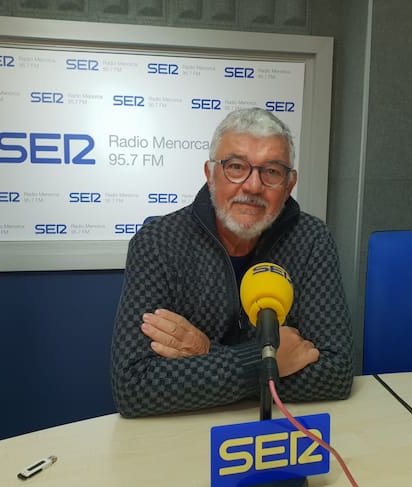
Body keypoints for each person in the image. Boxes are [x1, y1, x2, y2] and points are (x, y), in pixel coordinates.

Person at [111, 107, 353, 418]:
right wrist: (264, 363)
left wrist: (206, 353)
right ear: (210, 174)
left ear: (289, 184)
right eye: (236, 167)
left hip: (284, 425)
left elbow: (336, 372)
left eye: (272, 171)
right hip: (184, 433)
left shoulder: (312, 239)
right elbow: (134, 387)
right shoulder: (157, 242)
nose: (253, 186)